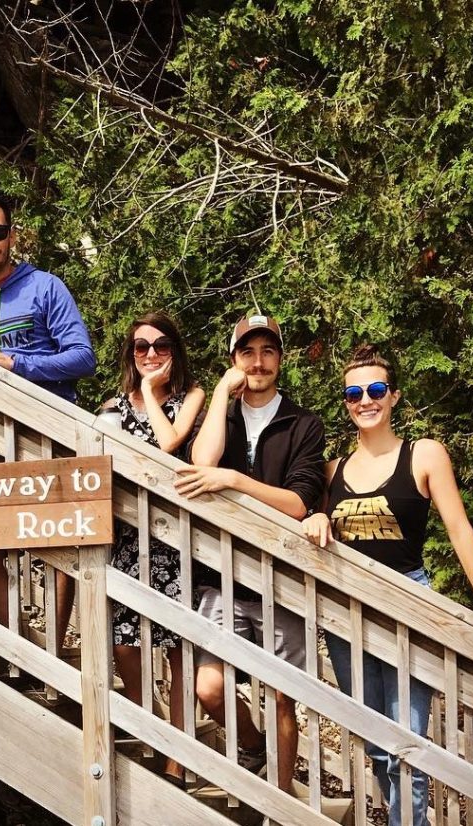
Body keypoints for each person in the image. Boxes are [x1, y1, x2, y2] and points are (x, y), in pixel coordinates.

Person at [302, 343, 473, 825]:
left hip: (408, 601)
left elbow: (458, 527)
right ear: (346, 401)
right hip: (347, 611)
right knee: (374, 740)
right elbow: (304, 512)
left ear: (395, 396)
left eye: (376, 389)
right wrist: (317, 515)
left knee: (408, 740)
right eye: (355, 392)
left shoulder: (423, 454)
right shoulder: (331, 471)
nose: (366, 399)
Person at [175, 312, 325, 792]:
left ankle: (280, 799)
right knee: (209, 688)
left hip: (282, 582)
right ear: (234, 359)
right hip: (222, 574)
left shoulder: (303, 423)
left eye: (268, 351)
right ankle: (254, 746)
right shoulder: (224, 417)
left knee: (283, 696)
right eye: (247, 352)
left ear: (280, 358)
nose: (258, 362)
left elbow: (299, 502)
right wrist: (221, 392)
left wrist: (235, 481)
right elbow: (202, 462)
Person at [0, 193, 96, 647]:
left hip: (46, 429)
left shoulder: (44, 287)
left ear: (12, 236)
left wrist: (12, 362)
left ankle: (55, 646)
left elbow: (82, 358)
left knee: (60, 537)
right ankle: (19, 643)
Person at [101, 312, 204, 785]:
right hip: (126, 540)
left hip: (177, 543)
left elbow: (168, 444)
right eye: (141, 347)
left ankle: (178, 758)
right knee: (125, 646)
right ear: (130, 354)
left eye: (160, 346)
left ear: (174, 351)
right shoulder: (110, 408)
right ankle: (156, 730)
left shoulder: (192, 398)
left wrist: (146, 395)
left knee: (178, 652)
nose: (151, 355)